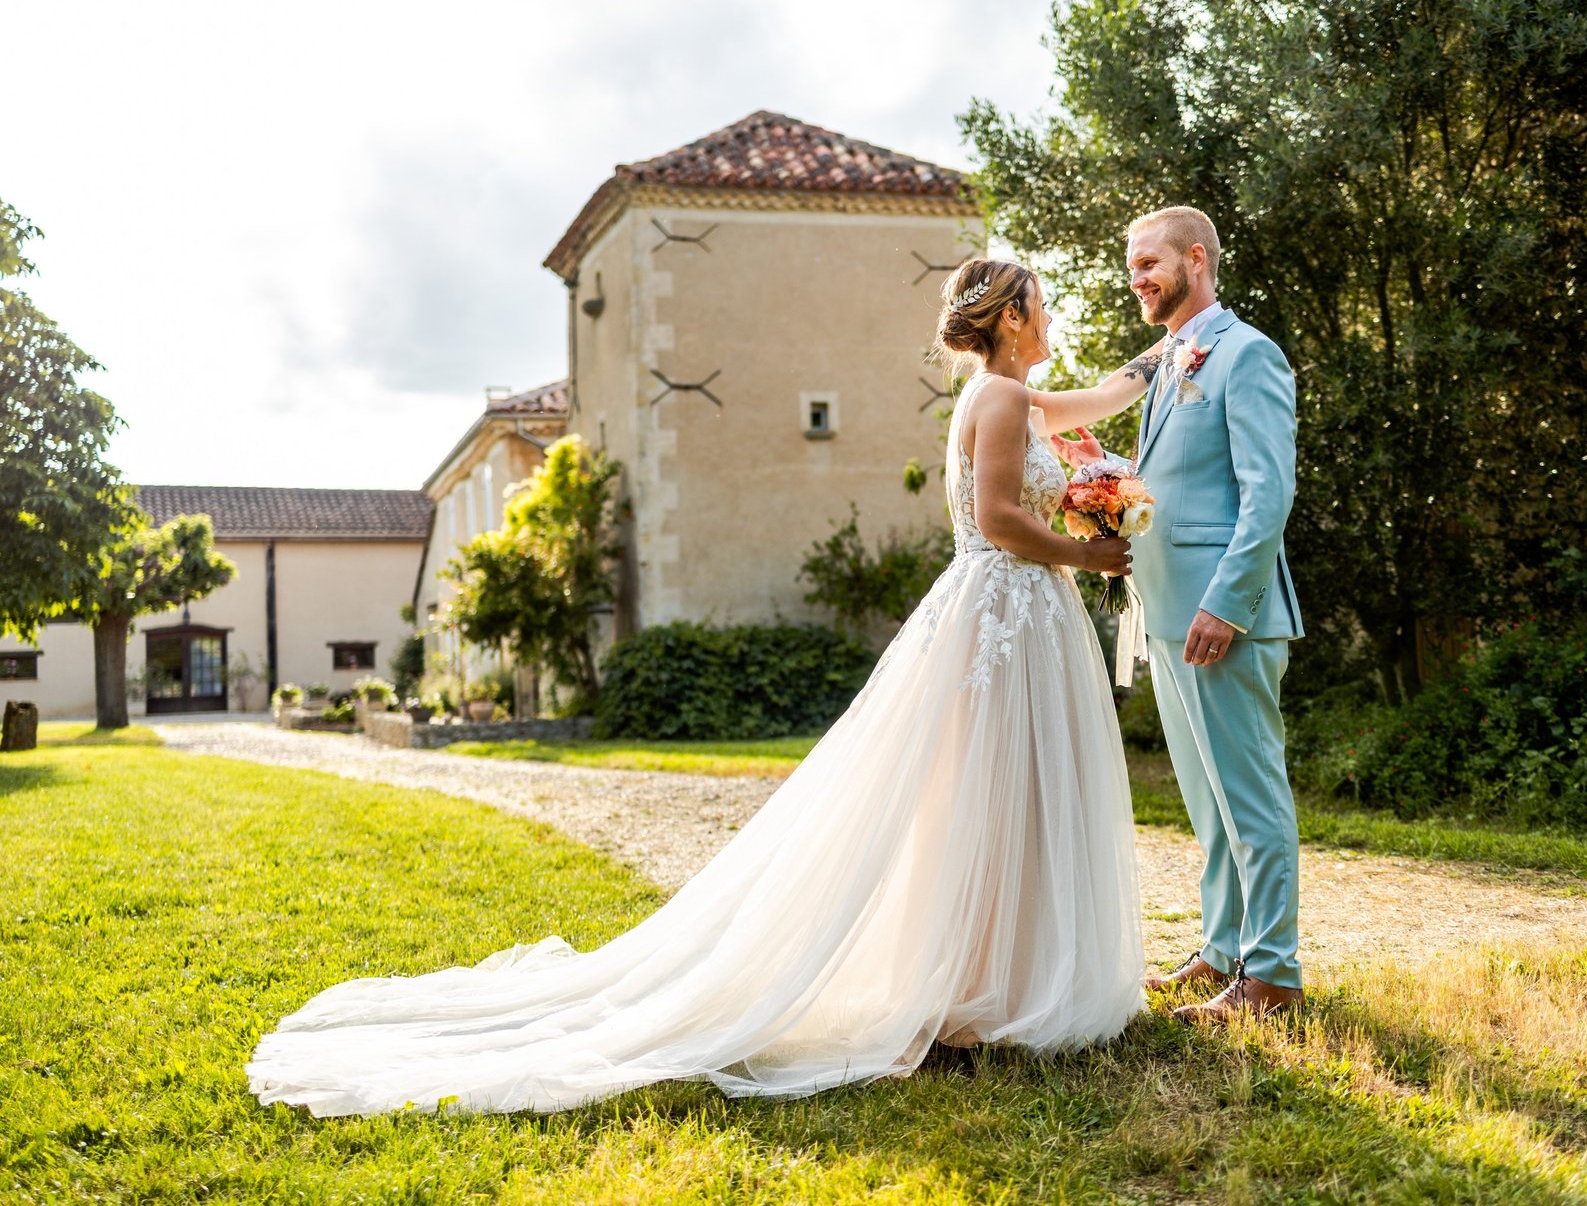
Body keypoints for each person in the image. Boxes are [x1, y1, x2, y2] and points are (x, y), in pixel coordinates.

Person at [246, 258, 1159, 1116]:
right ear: (1010, 317)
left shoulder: (1004, 394)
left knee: (1003, 802)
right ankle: (973, 994)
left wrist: (1161, 361)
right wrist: (1086, 550)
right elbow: (1000, 517)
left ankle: (995, 986)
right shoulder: (1000, 398)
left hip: (1011, 618)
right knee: (989, 803)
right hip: (1003, 612)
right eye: (1043, 305)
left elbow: (1097, 398)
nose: (1053, 320)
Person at [1122, 206, 1306, 1023]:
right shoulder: (1166, 364)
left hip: (1221, 614)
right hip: (1164, 611)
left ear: (1197, 259)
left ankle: (1271, 975)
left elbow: (1267, 494)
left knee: (1251, 795)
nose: (1139, 279)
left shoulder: (1249, 354)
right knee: (1209, 801)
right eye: (1132, 268)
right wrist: (1110, 474)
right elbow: (1183, 479)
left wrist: (1226, 604)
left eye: (1151, 263)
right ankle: (1223, 947)